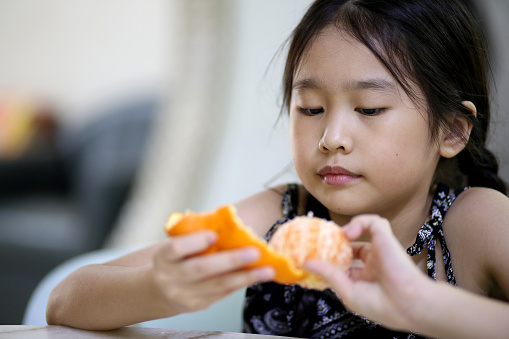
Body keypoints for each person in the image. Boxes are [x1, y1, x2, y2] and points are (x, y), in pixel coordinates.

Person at [46, 0, 509, 338]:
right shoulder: (279, 215)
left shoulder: (477, 223)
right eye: (310, 109)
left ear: (451, 131)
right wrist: (158, 288)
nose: (332, 137)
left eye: (368, 109)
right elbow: (65, 298)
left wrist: (421, 304)